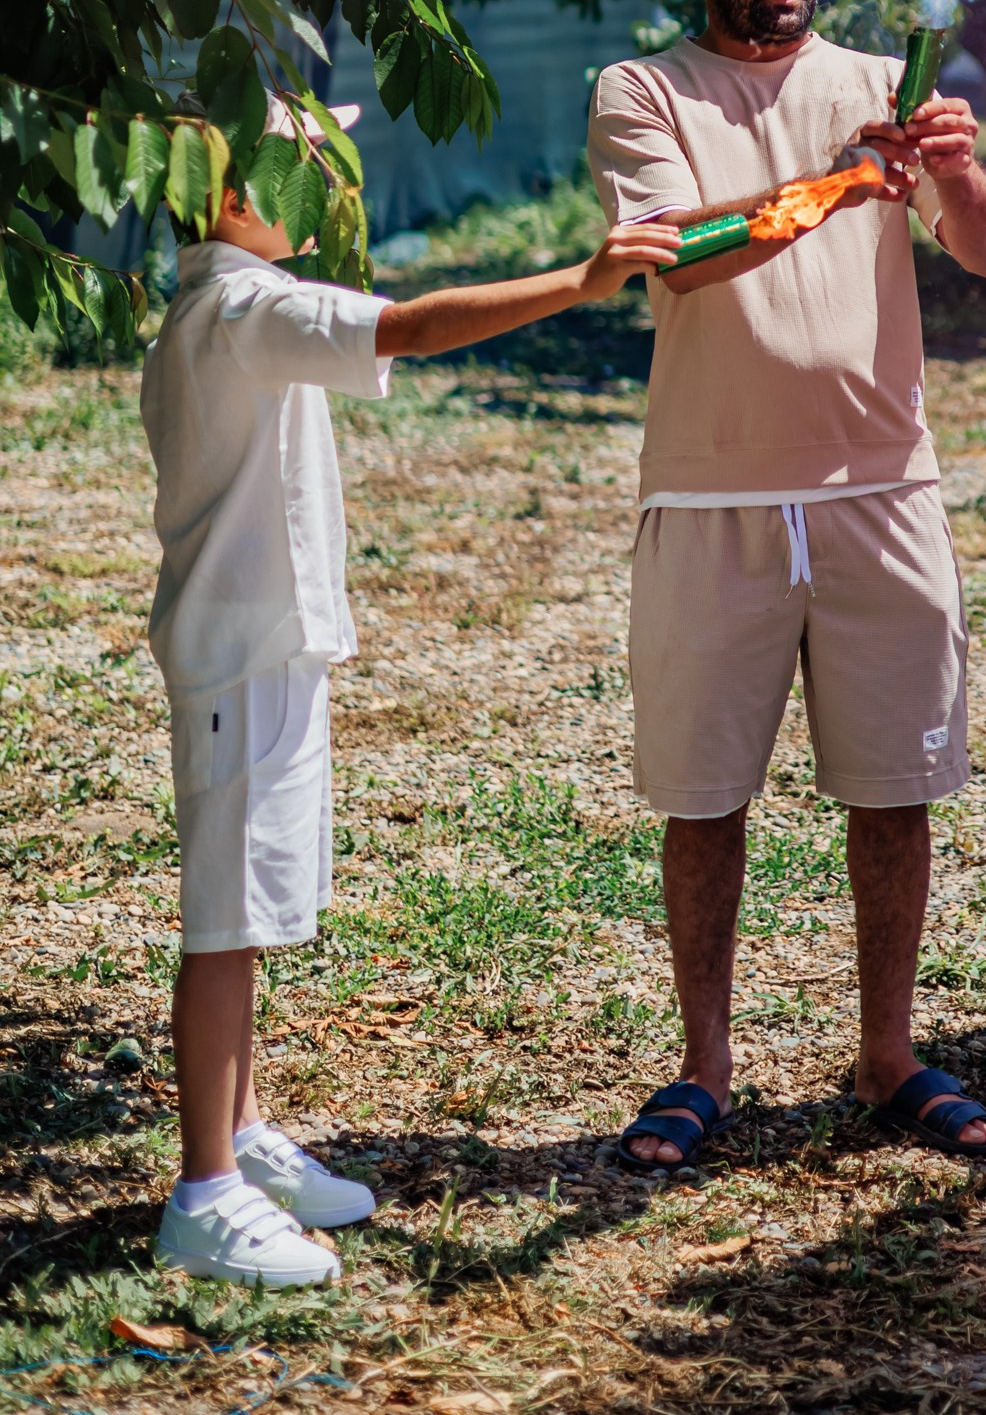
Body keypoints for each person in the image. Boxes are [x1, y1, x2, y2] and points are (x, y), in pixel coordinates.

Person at [144, 96, 680, 1287]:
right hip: (239, 656)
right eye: (304, 167)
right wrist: (579, 280)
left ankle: (237, 1134)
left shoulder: (228, 302)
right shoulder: (239, 307)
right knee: (225, 922)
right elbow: (414, 326)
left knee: (260, 907)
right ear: (234, 196)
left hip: (270, 649)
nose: (330, 184)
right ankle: (204, 1191)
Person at [586, 0, 986, 1169]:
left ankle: (888, 1054)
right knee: (707, 798)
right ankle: (704, 1067)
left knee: (895, 789)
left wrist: (956, 165)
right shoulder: (643, 90)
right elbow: (685, 251)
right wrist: (840, 182)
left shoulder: (882, 84)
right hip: (713, 494)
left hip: (882, 488)